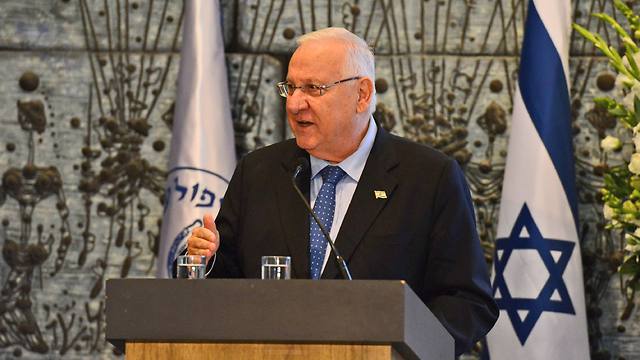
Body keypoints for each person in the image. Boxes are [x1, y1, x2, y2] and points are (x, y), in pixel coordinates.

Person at [187, 27, 498, 356]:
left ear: (362, 94)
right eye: (290, 88)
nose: (294, 104)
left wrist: (403, 353)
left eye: (313, 89)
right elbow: (226, 284)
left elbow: (467, 301)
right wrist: (205, 261)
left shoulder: (429, 178)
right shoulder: (260, 173)